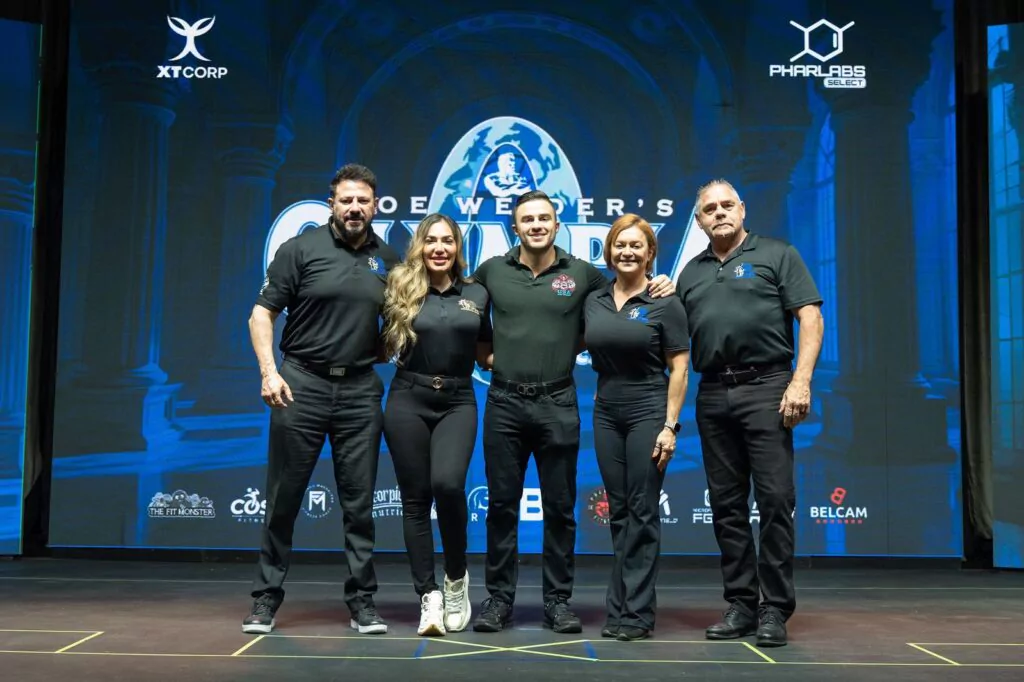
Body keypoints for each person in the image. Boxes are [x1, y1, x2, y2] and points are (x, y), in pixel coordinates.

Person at [471, 190, 675, 634]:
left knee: (561, 508)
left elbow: (620, 303)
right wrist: (487, 357)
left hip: (557, 402)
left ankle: (557, 601)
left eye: (544, 218)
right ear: (514, 226)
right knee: (501, 506)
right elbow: (466, 314)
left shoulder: (582, 274)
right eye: (528, 219)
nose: (536, 225)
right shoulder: (491, 270)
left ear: (557, 224)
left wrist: (666, 283)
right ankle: (499, 599)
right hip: (504, 403)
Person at [242, 163, 400, 636]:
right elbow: (261, 314)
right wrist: (269, 372)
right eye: (346, 200)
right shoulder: (300, 249)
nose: (354, 208)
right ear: (332, 203)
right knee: (283, 499)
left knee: (360, 504)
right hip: (301, 385)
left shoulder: (387, 258)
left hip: (359, 391)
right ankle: (265, 599)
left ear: (375, 206)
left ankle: (362, 603)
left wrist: (377, 351)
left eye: (363, 201)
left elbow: (395, 326)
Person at [675, 179, 824, 648]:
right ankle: (741, 604)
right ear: (699, 220)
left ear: (742, 209)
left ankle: (774, 608)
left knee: (776, 500)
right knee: (725, 505)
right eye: (709, 209)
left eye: (726, 205)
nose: (719, 213)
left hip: (768, 387)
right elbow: (672, 337)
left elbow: (810, 317)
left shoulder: (777, 254)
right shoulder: (690, 274)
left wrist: (800, 381)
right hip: (713, 393)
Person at [380, 214, 492, 636]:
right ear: (420, 246)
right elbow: (374, 338)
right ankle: (428, 595)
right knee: (415, 499)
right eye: (431, 241)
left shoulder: (477, 292)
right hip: (408, 397)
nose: (439, 248)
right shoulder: (399, 286)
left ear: (458, 247)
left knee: (447, 485)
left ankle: (456, 579)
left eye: (448, 241)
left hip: (458, 400)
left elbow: (487, 351)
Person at [583, 214, 691, 642]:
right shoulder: (594, 300)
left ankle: (638, 614)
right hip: (606, 413)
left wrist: (670, 426)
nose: (627, 252)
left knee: (642, 511)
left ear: (650, 253)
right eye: (620, 245)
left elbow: (679, 368)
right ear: (609, 252)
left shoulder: (665, 301)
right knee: (620, 511)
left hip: (649, 410)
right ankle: (619, 609)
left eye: (636, 245)